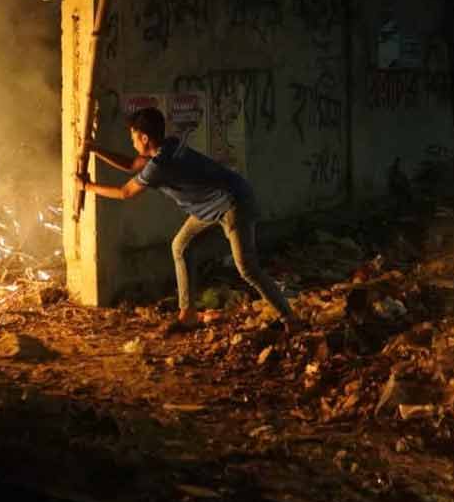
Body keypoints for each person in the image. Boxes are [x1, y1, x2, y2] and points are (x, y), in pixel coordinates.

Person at [76, 106, 299, 335]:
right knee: (181, 246)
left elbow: (125, 192)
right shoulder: (169, 145)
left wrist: (87, 186)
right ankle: (188, 314)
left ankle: (290, 318)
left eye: (133, 137)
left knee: (247, 269)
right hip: (211, 206)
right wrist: (94, 149)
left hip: (233, 204)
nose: (132, 142)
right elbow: (133, 165)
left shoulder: (159, 166)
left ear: (144, 138)